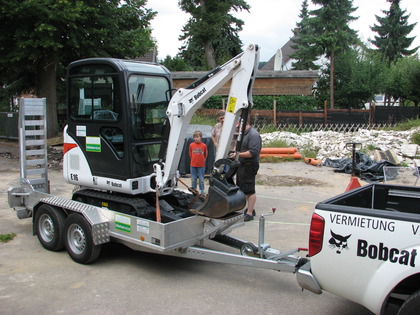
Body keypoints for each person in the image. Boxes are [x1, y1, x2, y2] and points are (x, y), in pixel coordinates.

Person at [233, 118, 262, 222]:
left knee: (249, 190)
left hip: (249, 165)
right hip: (242, 164)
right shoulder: (243, 134)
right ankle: (250, 209)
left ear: (245, 123)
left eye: (238, 126)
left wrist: (237, 154)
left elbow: (253, 152)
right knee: (242, 188)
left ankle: (249, 213)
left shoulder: (253, 135)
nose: (237, 128)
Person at [189, 130, 208, 195]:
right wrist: (193, 159)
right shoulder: (191, 145)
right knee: (193, 178)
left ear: (201, 137)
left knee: (201, 178)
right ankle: (194, 189)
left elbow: (205, 154)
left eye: (198, 137)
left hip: (201, 165)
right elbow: (190, 153)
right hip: (193, 164)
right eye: (195, 137)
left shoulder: (204, 145)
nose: (196, 138)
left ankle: (202, 190)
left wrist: (203, 160)